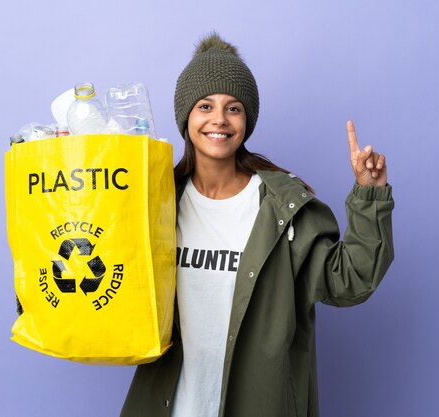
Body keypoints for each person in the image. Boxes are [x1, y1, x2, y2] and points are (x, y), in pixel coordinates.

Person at [121, 32, 394, 417]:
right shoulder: (157, 200)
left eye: (233, 108)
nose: (219, 119)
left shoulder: (282, 207)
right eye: (205, 105)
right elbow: (109, 277)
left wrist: (369, 197)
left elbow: (348, 282)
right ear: (187, 116)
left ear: (246, 120)